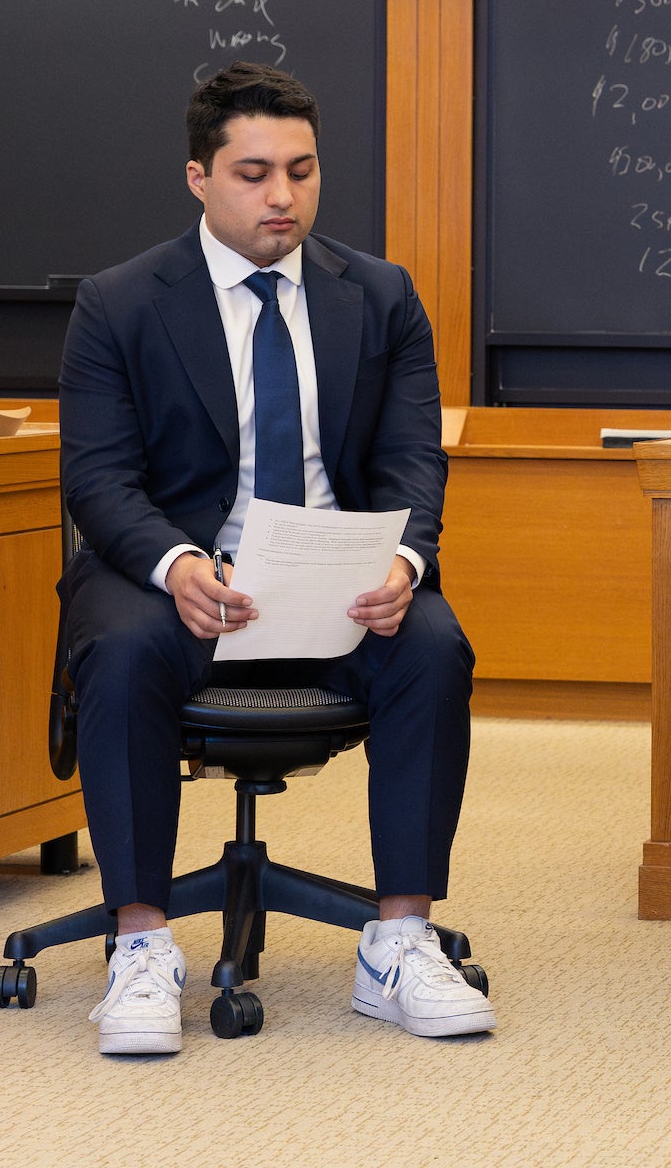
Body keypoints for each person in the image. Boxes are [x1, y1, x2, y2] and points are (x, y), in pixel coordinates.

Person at [58, 61, 493, 1055]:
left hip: (340, 582)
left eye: (302, 170)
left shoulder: (379, 296)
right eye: (254, 173)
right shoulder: (119, 303)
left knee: (433, 645)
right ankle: (140, 944)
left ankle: (400, 939)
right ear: (199, 176)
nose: (282, 195)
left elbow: (411, 458)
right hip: (180, 580)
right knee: (121, 651)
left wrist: (404, 561)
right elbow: (99, 479)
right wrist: (177, 564)